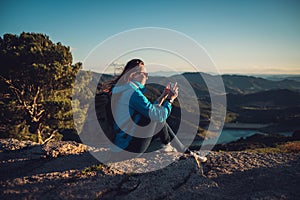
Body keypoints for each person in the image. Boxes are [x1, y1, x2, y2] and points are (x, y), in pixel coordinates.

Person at [102, 58, 206, 162]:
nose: (147, 77)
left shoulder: (122, 89)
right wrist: (170, 100)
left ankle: (177, 148)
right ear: (134, 75)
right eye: (145, 74)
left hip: (119, 145)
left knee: (152, 115)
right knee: (157, 117)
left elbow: (149, 110)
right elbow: (157, 116)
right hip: (129, 148)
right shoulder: (132, 93)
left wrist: (163, 97)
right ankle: (176, 148)